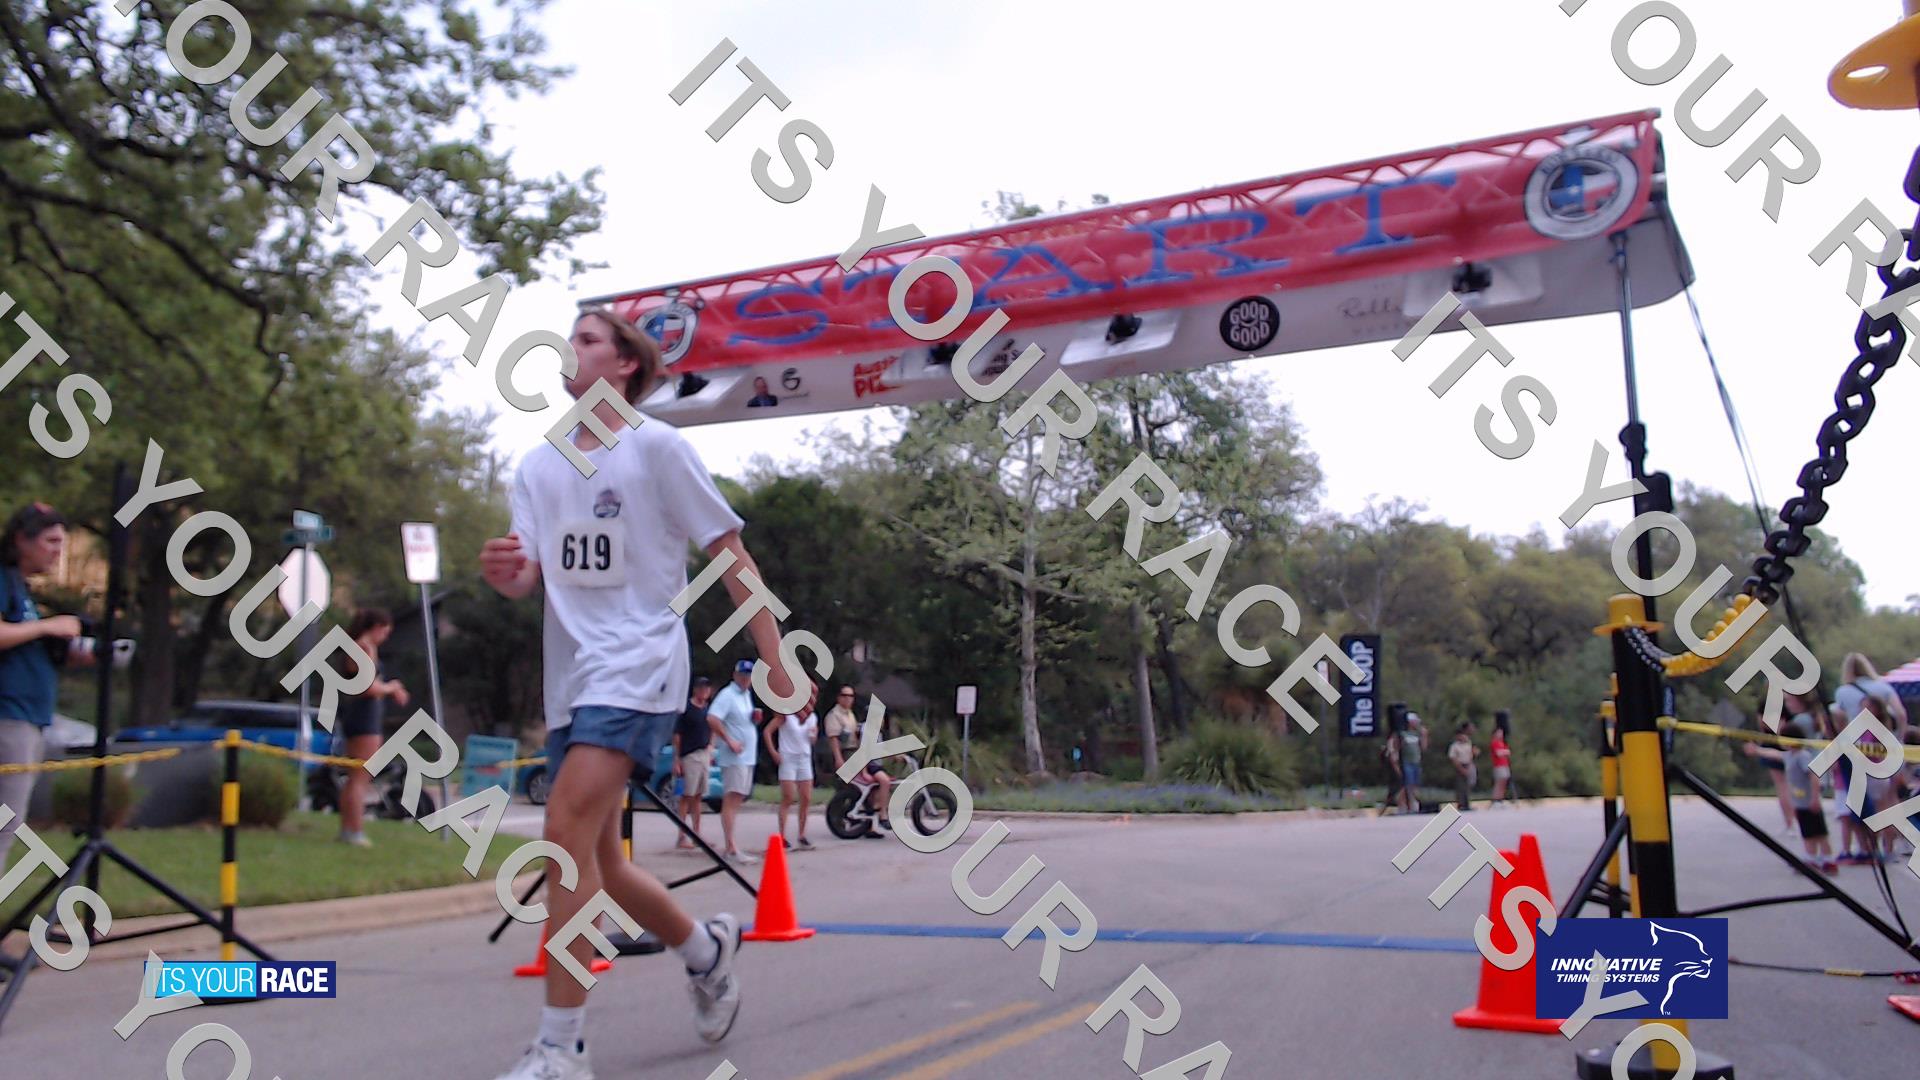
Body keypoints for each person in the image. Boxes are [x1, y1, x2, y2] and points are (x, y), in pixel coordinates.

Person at [481, 307, 805, 1080]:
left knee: (563, 829)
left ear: (626, 364)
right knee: (602, 862)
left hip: (641, 666)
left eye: (588, 339)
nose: (571, 349)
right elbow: (526, 576)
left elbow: (731, 556)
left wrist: (777, 658)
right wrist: (506, 573)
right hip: (572, 679)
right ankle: (706, 950)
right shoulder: (538, 466)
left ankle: (562, 1045)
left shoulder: (658, 448)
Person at [0, 503, 91, 864]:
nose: (58, 551)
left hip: (29, 716)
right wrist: (47, 627)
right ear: (22, 540)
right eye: (51, 541)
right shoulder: (4, 580)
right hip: (8, 716)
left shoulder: (20, 589)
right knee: (5, 821)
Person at [335, 607, 408, 847]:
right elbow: (367, 687)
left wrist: (390, 687)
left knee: (355, 777)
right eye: (385, 632)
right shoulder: (362, 648)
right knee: (360, 777)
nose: (385, 638)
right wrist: (391, 688)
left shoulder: (362, 648)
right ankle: (354, 830)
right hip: (364, 718)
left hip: (361, 716)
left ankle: (348, 828)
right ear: (376, 628)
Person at [1747, 716, 1835, 874]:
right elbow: (1774, 754)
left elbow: (1814, 776)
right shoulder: (1789, 756)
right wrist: (1757, 750)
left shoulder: (1803, 756)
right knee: (1807, 833)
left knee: (1819, 833)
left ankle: (1827, 860)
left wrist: (1815, 798)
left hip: (1809, 802)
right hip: (1800, 803)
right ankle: (1811, 858)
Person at [707, 659, 762, 863]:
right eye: (743, 675)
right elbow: (712, 718)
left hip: (747, 755)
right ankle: (730, 847)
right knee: (732, 798)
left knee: (738, 798)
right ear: (735, 675)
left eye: (749, 676)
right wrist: (729, 740)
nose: (746, 679)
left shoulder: (746, 695)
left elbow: (739, 721)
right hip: (734, 756)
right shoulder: (727, 695)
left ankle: (731, 844)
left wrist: (754, 718)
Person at [765, 684, 818, 849]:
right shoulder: (786, 714)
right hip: (788, 757)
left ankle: (802, 835)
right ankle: (782, 835)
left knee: (806, 798)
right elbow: (767, 731)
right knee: (788, 797)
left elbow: (811, 740)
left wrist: (814, 736)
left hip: (804, 758)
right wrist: (773, 752)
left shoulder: (811, 716)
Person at [672, 676, 714, 851]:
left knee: (698, 796)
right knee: (686, 796)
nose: (704, 691)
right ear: (695, 689)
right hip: (689, 755)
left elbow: (713, 728)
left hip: (704, 754)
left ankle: (696, 834)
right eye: (701, 688)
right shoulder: (686, 709)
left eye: (707, 688)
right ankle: (681, 836)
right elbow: (677, 735)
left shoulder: (708, 709)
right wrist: (677, 759)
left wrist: (711, 746)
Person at [822, 685, 859, 773]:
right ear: (838, 697)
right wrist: (838, 758)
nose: (848, 698)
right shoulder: (834, 714)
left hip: (853, 751)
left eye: (851, 696)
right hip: (842, 752)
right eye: (844, 695)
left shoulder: (850, 713)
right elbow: (833, 738)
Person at [1398, 711, 1427, 812]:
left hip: (1416, 761)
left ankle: (1413, 803)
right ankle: (1406, 804)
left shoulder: (1417, 734)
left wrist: (1424, 736)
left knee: (1415, 784)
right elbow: (1399, 747)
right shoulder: (1403, 734)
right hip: (1407, 761)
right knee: (1408, 784)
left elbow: (1423, 748)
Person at [1448, 722, 1478, 811]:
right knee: (1460, 785)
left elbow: (1471, 754)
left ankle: (1467, 803)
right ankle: (1461, 804)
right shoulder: (1455, 746)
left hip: (1468, 764)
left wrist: (1474, 754)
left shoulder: (1468, 744)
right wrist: (1461, 769)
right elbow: (1453, 758)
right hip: (1460, 765)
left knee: (1468, 785)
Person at [1488, 720, 1512, 808]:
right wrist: (1505, 752)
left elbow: (1507, 752)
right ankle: (1495, 800)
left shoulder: (1502, 743)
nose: (1500, 735)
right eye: (1498, 733)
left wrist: (1505, 752)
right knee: (1498, 783)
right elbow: (1499, 753)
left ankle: (1500, 799)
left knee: (1503, 783)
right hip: (1498, 765)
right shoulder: (1494, 743)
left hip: (1505, 764)